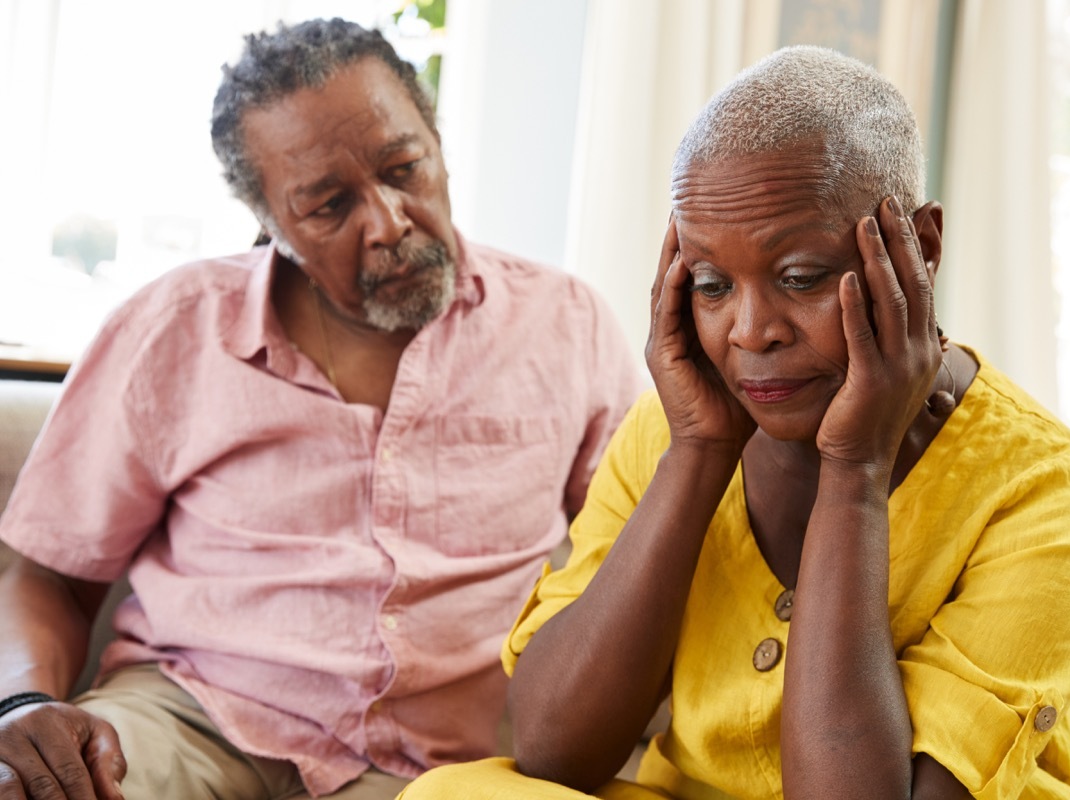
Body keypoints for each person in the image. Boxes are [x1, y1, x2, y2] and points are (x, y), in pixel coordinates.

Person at [397, 45, 1070, 800]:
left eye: (800, 278)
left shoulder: (1052, 497)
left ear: (922, 248)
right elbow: (554, 749)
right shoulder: (671, 428)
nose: (750, 332)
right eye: (712, 284)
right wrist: (698, 452)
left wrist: (855, 472)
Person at [0, 17, 641, 800]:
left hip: (443, 765)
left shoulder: (566, 324)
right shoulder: (173, 327)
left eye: (405, 168)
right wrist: (24, 702)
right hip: (195, 720)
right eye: (329, 206)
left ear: (436, 138)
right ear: (269, 222)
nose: (388, 222)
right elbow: (52, 578)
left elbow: (638, 561)